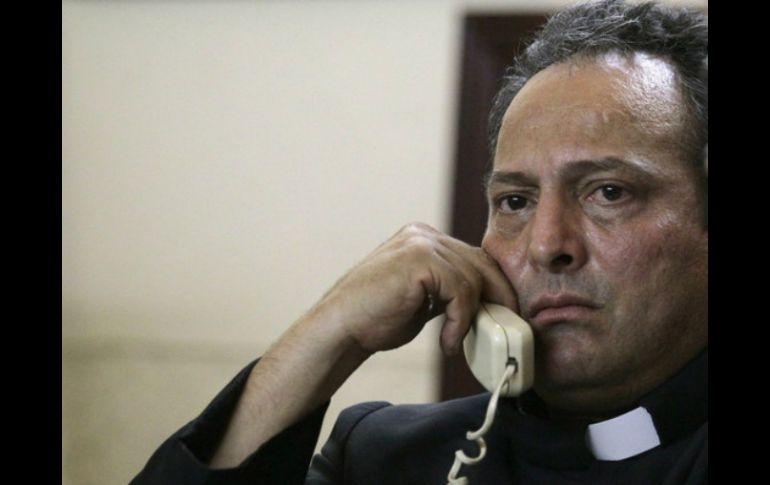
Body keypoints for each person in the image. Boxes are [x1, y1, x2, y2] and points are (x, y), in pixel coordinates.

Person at [131, 0, 707, 483]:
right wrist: (329, 335)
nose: (546, 244)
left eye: (608, 192)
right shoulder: (385, 456)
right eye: (515, 201)